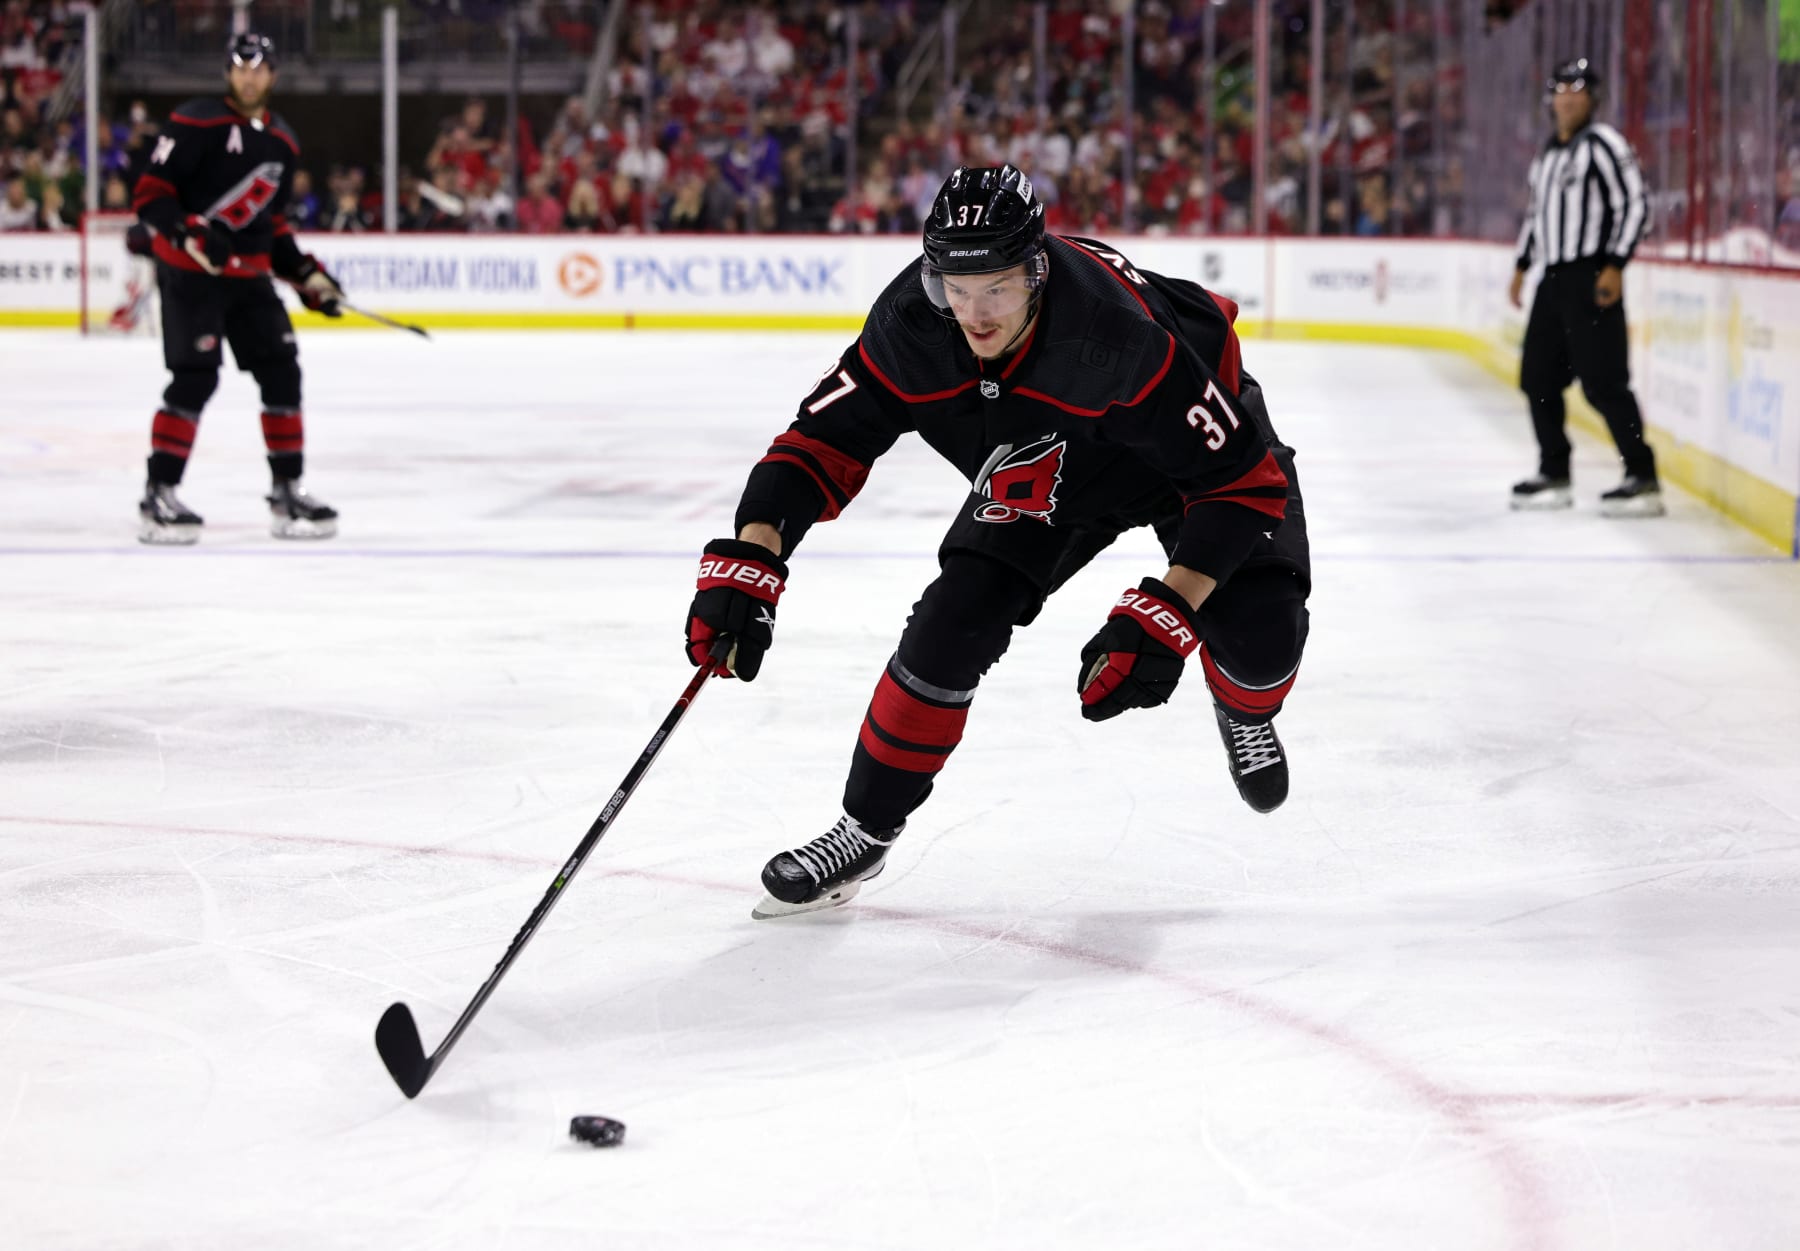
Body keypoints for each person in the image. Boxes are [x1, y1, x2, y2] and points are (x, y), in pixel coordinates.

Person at [683, 164, 1311, 920]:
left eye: (998, 289)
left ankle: (1244, 707)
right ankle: (864, 828)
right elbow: (818, 441)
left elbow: (1238, 485)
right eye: (956, 286)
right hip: (1050, 456)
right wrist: (755, 555)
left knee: (1264, 636)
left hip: (1183, 458)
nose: (974, 314)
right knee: (953, 622)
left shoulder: (1113, 336)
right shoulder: (914, 323)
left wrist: (1170, 611)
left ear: (1038, 272)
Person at [130, 32, 345, 544]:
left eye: (259, 68)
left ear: (272, 75)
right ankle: (159, 492)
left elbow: (271, 227)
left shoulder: (284, 141)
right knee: (194, 379)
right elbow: (150, 196)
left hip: (249, 280)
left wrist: (309, 277)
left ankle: (287, 490)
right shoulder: (193, 121)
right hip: (191, 274)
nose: (249, 76)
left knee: (283, 374)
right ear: (229, 73)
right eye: (240, 67)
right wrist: (189, 232)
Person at [1508, 58, 1659, 517]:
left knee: (1604, 382)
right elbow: (1537, 217)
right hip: (1551, 281)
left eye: (1578, 91)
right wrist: (1521, 264)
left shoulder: (1604, 145)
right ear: (1551, 99)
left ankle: (1642, 475)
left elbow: (1636, 204)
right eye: (1561, 90)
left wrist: (1615, 264)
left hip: (1591, 277)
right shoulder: (1549, 155)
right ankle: (1554, 470)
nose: (1568, 99)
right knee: (1536, 378)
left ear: (1592, 99)